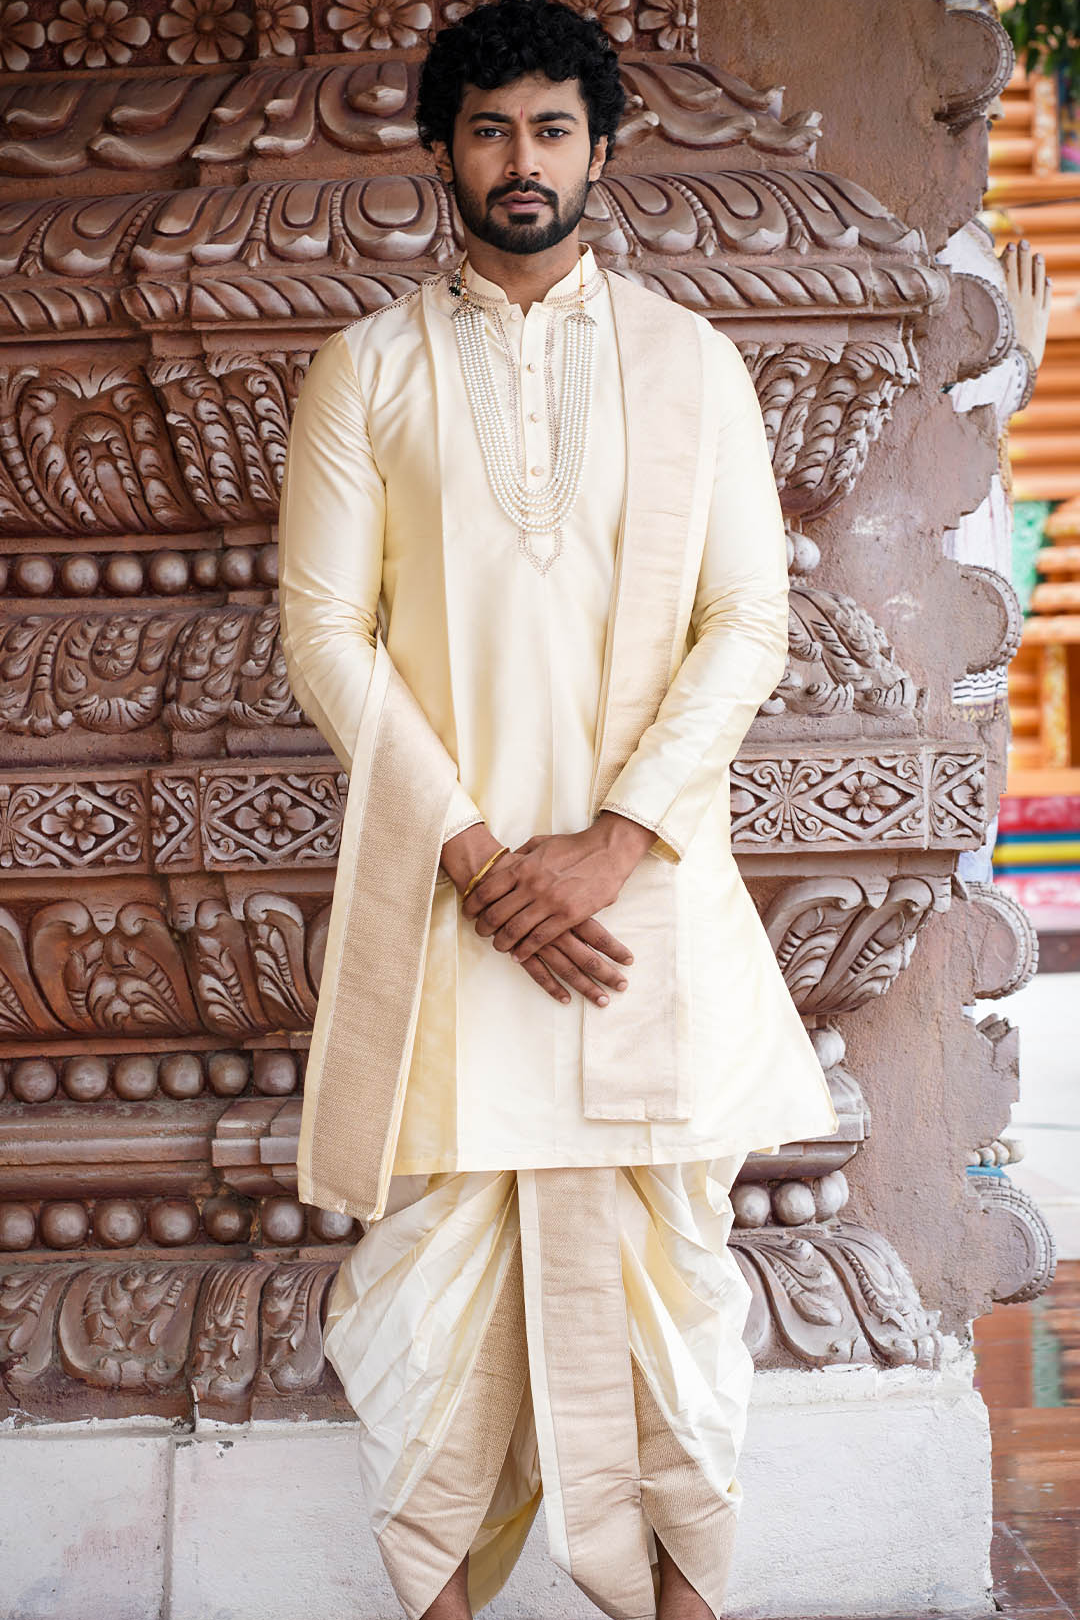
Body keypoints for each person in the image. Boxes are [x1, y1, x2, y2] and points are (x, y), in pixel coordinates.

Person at [277, 2, 839, 1615]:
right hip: (448, 909)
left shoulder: (690, 362)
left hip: (643, 901)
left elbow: (749, 619)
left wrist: (608, 845)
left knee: (673, 1294)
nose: (520, 163)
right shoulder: (366, 368)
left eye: (550, 131)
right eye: (489, 130)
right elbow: (325, 634)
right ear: (441, 150)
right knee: (430, 1307)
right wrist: (474, 856)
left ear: (602, 148)